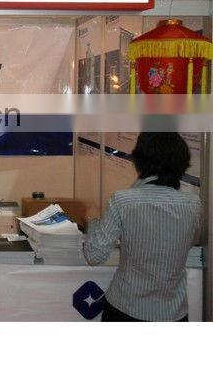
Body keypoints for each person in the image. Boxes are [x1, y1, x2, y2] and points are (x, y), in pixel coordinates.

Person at [83, 133, 201, 322]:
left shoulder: (122, 200)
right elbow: (190, 243)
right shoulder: (194, 204)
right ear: (182, 163)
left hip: (126, 309)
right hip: (173, 313)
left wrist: (93, 220)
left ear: (139, 160)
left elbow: (94, 256)